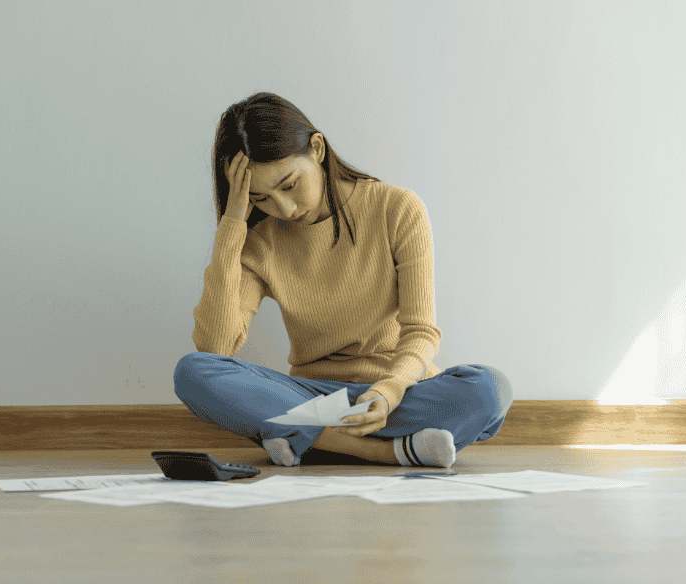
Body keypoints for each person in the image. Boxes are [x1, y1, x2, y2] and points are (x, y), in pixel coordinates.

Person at [174, 92, 513, 467]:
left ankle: (305, 439)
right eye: (260, 198)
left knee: (490, 389)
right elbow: (216, 347)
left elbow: (421, 331)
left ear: (316, 148)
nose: (283, 208)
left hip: (396, 393)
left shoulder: (396, 208)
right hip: (311, 397)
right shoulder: (261, 243)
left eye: (288, 185)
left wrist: (388, 391)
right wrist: (232, 225)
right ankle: (389, 450)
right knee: (193, 372)